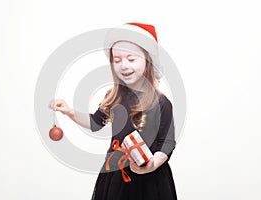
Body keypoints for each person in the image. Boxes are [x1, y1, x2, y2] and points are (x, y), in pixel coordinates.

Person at [49, 23, 177, 200]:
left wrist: (153, 164)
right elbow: (95, 123)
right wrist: (69, 112)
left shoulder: (161, 103)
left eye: (131, 59)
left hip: (149, 180)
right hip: (115, 175)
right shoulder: (114, 97)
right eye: (117, 60)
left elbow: (167, 142)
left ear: (148, 61)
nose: (123, 65)